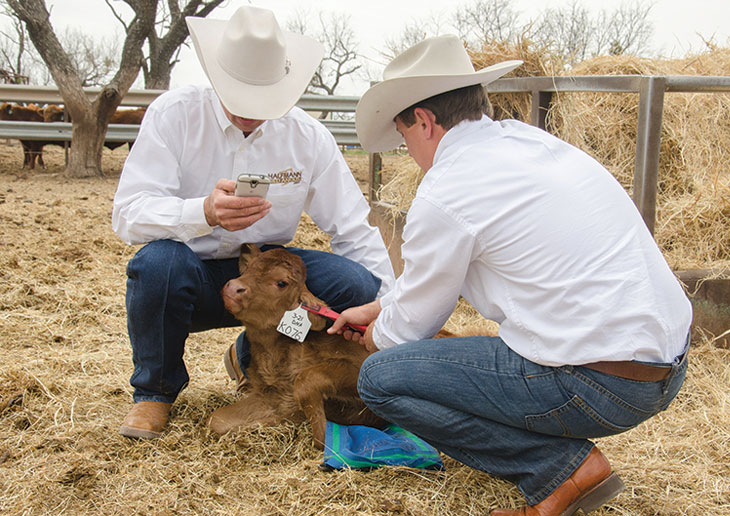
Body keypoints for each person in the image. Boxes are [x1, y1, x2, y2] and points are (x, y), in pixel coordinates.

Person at [329, 35, 692, 516]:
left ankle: (559, 471)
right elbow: (429, 282)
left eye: (404, 137)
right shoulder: (530, 143)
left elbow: (409, 328)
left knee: (381, 378)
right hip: (666, 366)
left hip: (599, 384)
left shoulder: (446, 190)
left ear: (424, 121)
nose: (408, 151)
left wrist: (376, 333)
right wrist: (380, 305)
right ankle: (562, 465)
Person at [112, 6, 395, 440]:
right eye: (238, 97)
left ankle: (255, 359)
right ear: (217, 78)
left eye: (263, 101)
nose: (250, 113)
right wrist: (201, 213)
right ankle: (155, 391)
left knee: (355, 284)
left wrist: (390, 305)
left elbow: (353, 227)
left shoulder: (306, 136)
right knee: (156, 266)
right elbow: (128, 214)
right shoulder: (175, 115)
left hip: (268, 278)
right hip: (193, 271)